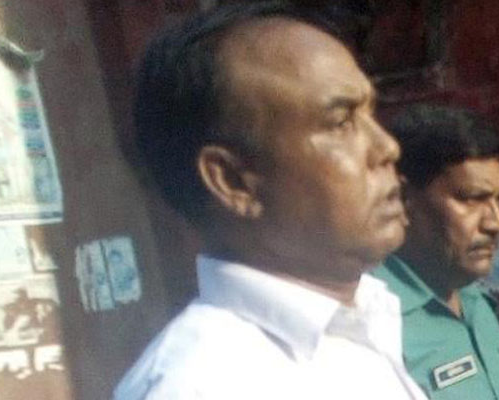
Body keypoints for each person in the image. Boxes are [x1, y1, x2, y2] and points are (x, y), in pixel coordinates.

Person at [113, 2, 426, 399]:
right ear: (233, 181)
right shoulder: (203, 385)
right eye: (340, 122)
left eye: (370, 113)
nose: (388, 146)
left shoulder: (362, 320)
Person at [372, 104, 499, 399]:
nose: (496, 224)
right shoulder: (373, 320)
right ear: (403, 198)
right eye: (472, 199)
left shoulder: (475, 302)